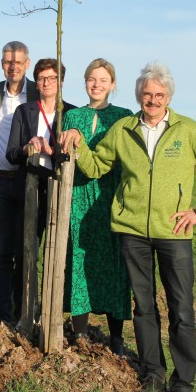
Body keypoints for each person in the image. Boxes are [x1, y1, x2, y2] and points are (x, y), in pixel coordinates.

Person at [61, 61, 196, 392]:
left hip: (174, 233)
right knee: (144, 307)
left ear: (169, 96)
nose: (152, 100)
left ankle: (182, 385)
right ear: (139, 96)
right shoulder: (124, 129)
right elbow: (96, 167)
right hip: (133, 233)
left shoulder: (188, 130)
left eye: (159, 95)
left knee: (181, 311)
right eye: (147, 94)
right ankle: (153, 375)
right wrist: (78, 143)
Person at [61, 58, 133, 354]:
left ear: (112, 84)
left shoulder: (123, 117)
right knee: (78, 260)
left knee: (113, 264)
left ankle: (116, 336)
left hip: (109, 198)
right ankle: (79, 333)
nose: (97, 84)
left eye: (103, 80)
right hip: (78, 196)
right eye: (92, 78)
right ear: (85, 82)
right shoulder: (72, 116)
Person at [0, 41, 39, 323]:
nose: (12, 67)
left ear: (27, 63)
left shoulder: (38, 92)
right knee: (2, 251)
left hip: (28, 182)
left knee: (25, 248)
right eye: (7, 62)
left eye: (17, 62)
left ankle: (23, 311)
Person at [5, 58, 75, 241]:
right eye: (42, 78)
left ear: (61, 82)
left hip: (59, 187)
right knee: (24, 247)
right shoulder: (24, 111)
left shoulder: (72, 113)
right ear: (36, 83)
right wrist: (27, 148)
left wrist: (50, 150)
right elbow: (11, 154)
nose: (46, 83)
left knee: (56, 245)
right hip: (29, 186)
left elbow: (72, 155)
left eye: (52, 78)